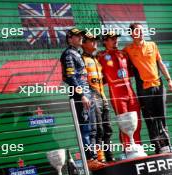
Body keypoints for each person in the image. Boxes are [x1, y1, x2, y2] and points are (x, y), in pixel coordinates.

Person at [124, 23, 172, 154]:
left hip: (159, 86)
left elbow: (160, 63)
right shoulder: (128, 50)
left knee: (162, 117)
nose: (140, 33)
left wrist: (169, 80)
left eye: (141, 30)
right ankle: (158, 148)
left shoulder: (152, 45)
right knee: (150, 119)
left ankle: (168, 147)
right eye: (137, 31)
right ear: (131, 34)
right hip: (144, 89)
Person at [60, 28, 103, 170]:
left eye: (80, 36)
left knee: (92, 129)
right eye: (77, 36)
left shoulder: (76, 53)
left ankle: (94, 159)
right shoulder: (68, 54)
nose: (80, 39)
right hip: (80, 96)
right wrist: (82, 95)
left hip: (86, 94)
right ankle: (89, 160)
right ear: (69, 38)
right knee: (85, 128)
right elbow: (70, 77)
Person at [97, 31, 142, 151]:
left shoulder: (124, 53)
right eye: (112, 39)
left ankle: (138, 148)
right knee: (125, 123)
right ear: (105, 41)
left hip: (130, 92)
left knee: (137, 122)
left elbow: (133, 70)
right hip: (116, 93)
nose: (115, 40)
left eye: (116, 38)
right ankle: (128, 150)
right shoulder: (100, 56)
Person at [81, 33, 114, 163]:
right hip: (93, 96)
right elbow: (82, 81)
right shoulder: (81, 59)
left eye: (95, 40)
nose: (95, 43)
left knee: (108, 128)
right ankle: (100, 158)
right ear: (84, 43)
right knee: (98, 128)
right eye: (91, 41)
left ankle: (109, 156)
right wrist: (90, 94)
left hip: (103, 96)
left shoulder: (96, 59)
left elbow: (101, 79)